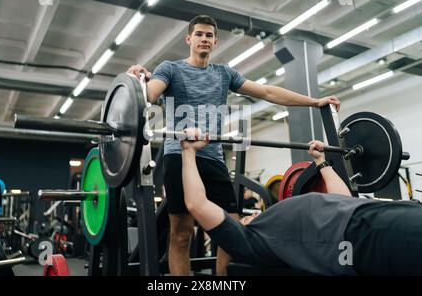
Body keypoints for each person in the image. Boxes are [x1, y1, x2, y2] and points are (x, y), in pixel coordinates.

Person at [128, 15, 341, 275]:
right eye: (199, 34)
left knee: (231, 233)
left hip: (214, 158)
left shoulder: (224, 73)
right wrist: (139, 81)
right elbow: (150, 95)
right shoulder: (170, 68)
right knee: (182, 234)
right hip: (180, 156)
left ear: (215, 42)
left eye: (209, 35)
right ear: (189, 39)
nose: (204, 39)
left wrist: (314, 101)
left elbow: (267, 92)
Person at [180, 128, 422, 276]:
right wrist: (189, 152)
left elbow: (342, 200)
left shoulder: (276, 215)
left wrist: (321, 161)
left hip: (371, 212)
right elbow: (197, 204)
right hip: (357, 239)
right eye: (243, 219)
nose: (249, 216)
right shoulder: (249, 241)